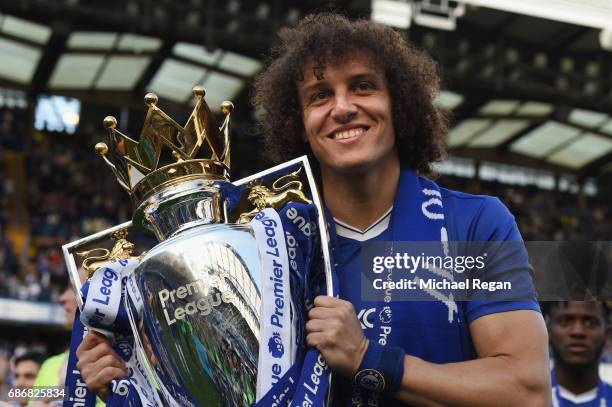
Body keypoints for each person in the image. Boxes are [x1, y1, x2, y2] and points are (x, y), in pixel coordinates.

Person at [76, 12, 550, 406]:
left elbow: (526, 391)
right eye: (319, 95)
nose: (342, 108)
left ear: (399, 105)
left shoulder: (476, 224)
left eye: (363, 87)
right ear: (299, 123)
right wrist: (135, 378)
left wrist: (369, 358)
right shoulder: (264, 243)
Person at [545, 301, 612, 406]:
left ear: (606, 333)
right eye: (565, 321)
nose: (578, 332)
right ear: (548, 330)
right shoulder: (523, 400)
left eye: (590, 322)